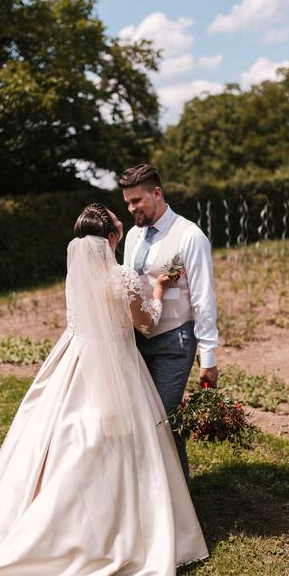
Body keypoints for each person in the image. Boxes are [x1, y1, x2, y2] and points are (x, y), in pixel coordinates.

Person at [0, 203, 208, 576]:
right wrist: (158, 291)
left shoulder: (77, 275)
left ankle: (53, 516)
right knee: (119, 441)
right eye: (117, 221)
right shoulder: (122, 277)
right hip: (116, 364)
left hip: (73, 360)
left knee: (63, 436)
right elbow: (146, 324)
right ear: (112, 237)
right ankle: (113, 528)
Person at [119, 164, 219, 483]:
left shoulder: (190, 236)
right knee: (139, 418)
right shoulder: (133, 236)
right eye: (127, 203)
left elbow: (203, 299)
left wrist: (209, 358)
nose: (131, 208)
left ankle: (179, 495)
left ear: (157, 193)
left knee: (164, 420)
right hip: (137, 341)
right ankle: (150, 493)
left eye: (137, 201)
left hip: (174, 341)